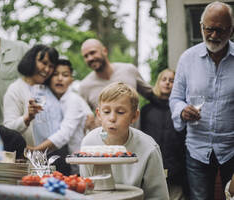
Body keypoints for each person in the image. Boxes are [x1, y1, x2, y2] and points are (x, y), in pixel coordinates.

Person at [169, 2, 234, 199]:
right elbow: (176, 98)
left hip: (232, 149)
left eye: (220, 30)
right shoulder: (187, 58)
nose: (214, 35)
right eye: (209, 29)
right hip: (197, 148)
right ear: (201, 27)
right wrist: (181, 110)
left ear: (231, 30)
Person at [80, 82, 169, 200]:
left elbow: (157, 195)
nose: (112, 118)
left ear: (134, 116)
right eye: (106, 112)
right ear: (99, 114)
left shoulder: (148, 147)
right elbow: (86, 191)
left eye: (120, 112)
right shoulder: (89, 143)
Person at [3, 45, 71, 175]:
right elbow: (8, 129)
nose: (47, 69)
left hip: (58, 158)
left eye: (51, 66)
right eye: (43, 63)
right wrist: (27, 118)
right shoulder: (15, 90)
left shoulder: (49, 88)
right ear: (31, 60)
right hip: (33, 162)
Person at [28, 59, 93, 174]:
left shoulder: (73, 100)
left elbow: (64, 134)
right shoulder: (50, 99)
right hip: (66, 160)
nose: (60, 78)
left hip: (80, 163)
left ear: (71, 80)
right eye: (55, 74)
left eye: (65, 75)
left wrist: (36, 150)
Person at [79, 38, 153, 127]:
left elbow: (153, 95)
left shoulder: (129, 70)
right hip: (105, 139)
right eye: (86, 56)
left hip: (135, 137)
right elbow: (82, 119)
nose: (90, 58)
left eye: (93, 52)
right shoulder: (84, 86)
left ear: (105, 51)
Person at [141, 69, 187, 200]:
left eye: (171, 80)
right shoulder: (145, 110)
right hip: (151, 170)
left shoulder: (181, 110)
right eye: (164, 79)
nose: (167, 83)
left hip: (177, 172)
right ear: (158, 83)